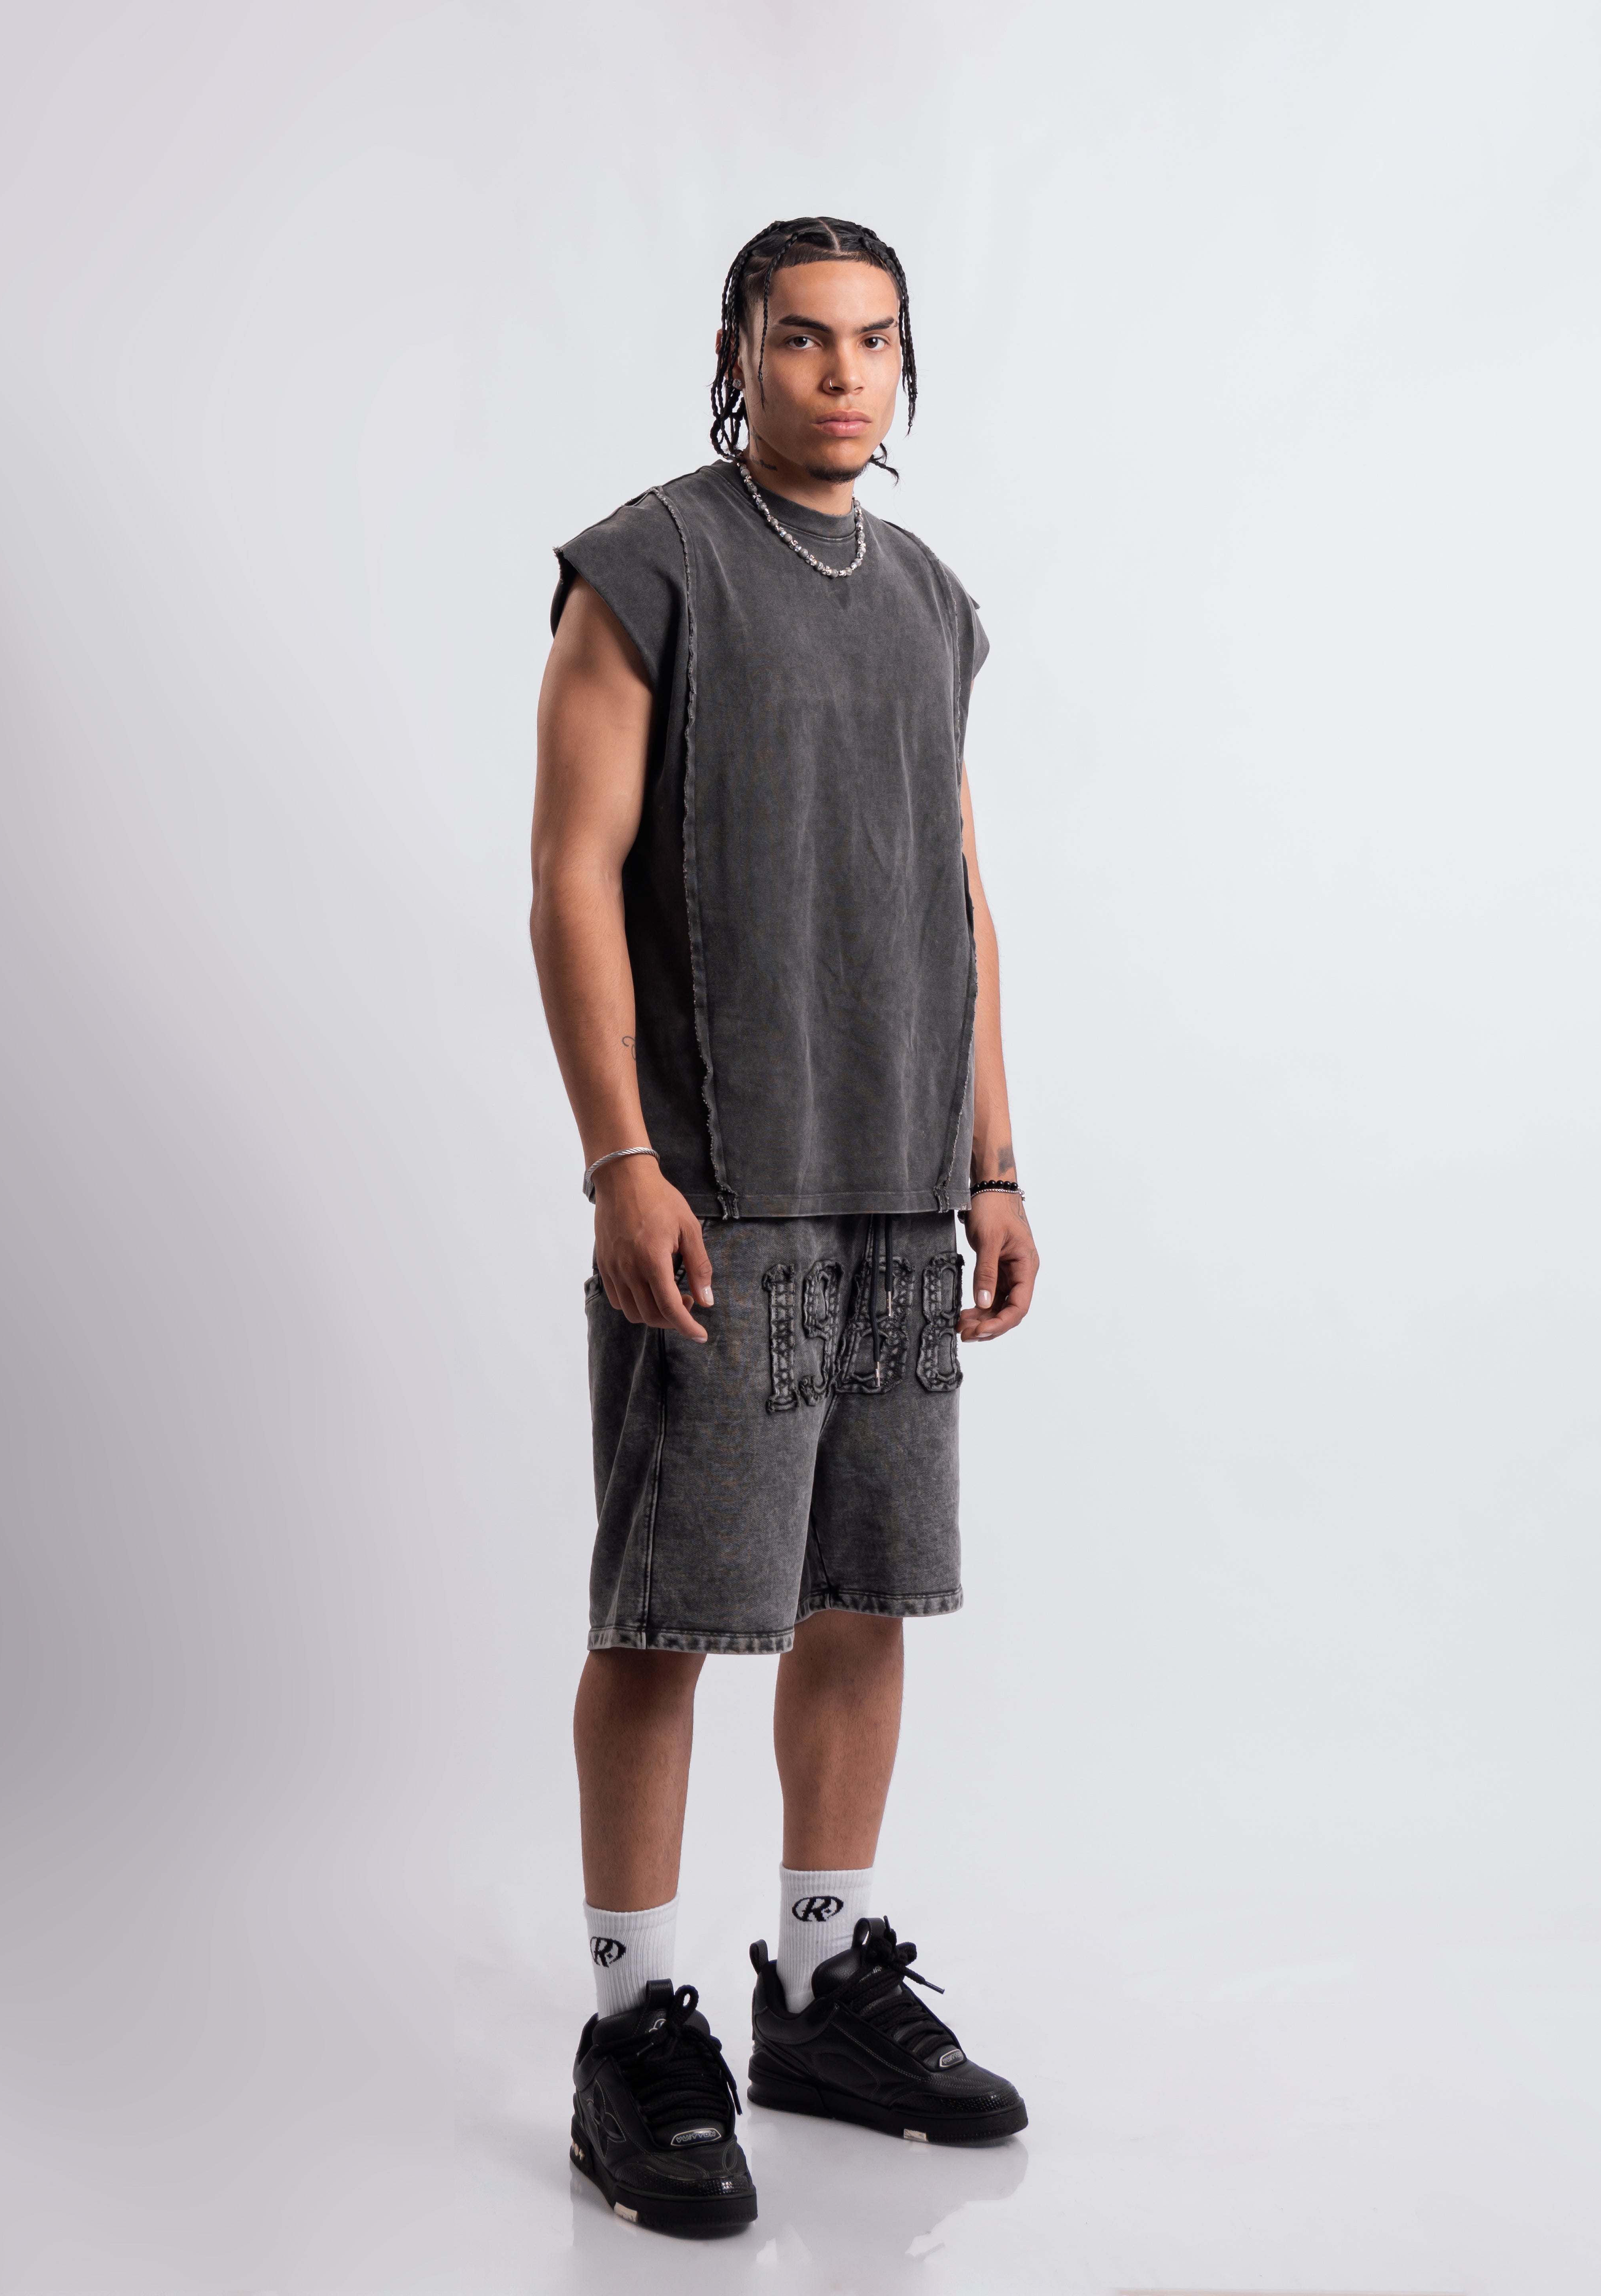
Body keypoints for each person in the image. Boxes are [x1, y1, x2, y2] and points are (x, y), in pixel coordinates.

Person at [530, 215, 1040, 2238]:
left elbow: (960, 894)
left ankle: (821, 1995)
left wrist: (992, 1163)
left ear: (907, 368)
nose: (843, 373)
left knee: (859, 1598)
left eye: (876, 342)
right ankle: (631, 2032)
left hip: (900, 1187)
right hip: (718, 1186)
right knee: (666, 1613)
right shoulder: (646, 565)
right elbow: (571, 874)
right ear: (737, 352)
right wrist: (619, 1159)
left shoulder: (930, 601)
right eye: (805, 338)